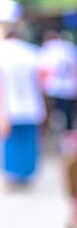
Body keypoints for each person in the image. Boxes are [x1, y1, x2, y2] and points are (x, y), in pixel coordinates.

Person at [0, 26, 46, 184]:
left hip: (9, 106)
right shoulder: (32, 52)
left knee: (11, 144)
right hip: (31, 105)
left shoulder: (3, 52)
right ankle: (26, 174)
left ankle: (13, 175)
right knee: (28, 142)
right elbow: (43, 79)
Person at [39, 30, 77, 130]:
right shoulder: (72, 49)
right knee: (69, 119)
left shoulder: (48, 49)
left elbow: (42, 72)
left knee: (52, 118)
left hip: (53, 89)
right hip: (69, 89)